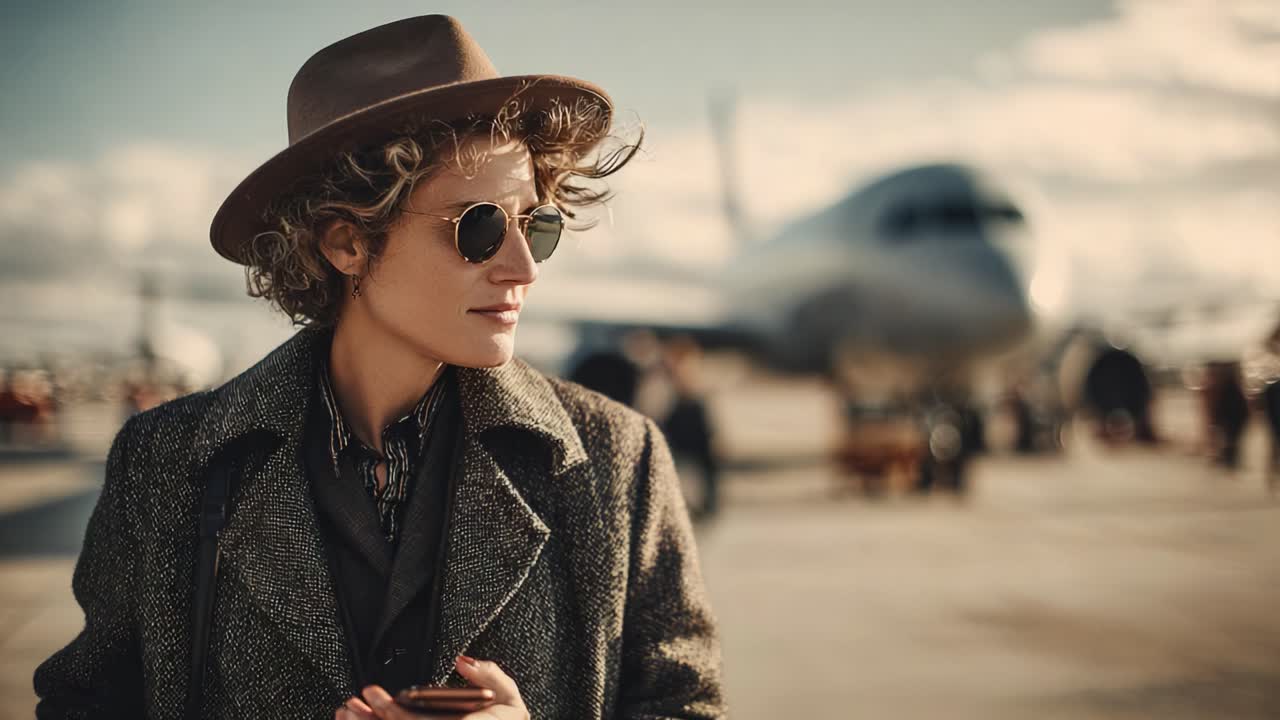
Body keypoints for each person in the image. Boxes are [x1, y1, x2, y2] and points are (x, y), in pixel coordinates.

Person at [34, 15, 725, 719]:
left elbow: (685, 705)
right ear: (346, 242)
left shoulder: (617, 462)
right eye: (480, 227)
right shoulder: (165, 464)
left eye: (536, 225)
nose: (523, 268)